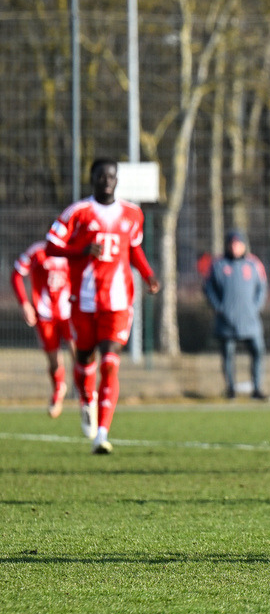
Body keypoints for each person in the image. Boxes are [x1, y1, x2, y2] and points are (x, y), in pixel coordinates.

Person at [45, 158, 161, 454]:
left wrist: (148, 275)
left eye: (111, 176)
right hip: (83, 301)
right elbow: (51, 246)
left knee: (110, 363)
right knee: (84, 361)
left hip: (119, 302)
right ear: (92, 179)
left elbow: (133, 248)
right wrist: (79, 250)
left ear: (117, 180)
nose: (106, 181)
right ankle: (86, 401)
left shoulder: (132, 213)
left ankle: (102, 433)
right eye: (100, 176)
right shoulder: (78, 212)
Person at [10, 240, 74, 417]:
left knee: (80, 355)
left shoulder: (73, 250)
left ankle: (87, 398)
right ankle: (59, 389)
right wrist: (24, 304)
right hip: (45, 315)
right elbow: (16, 274)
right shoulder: (37, 251)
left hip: (70, 313)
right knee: (54, 362)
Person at [203, 230, 268, 400]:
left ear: (244, 245)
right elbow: (208, 288)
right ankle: (230, 389)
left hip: (250, 320)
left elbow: (262, 288)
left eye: (238, 244)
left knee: (257, 352)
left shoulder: (254, 263)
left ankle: (257, 388)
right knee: (228, 355)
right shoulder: (218, 264)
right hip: (226, 321)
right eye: (232, 244)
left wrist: (255, 307)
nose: (235, 247)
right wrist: (218, 307)